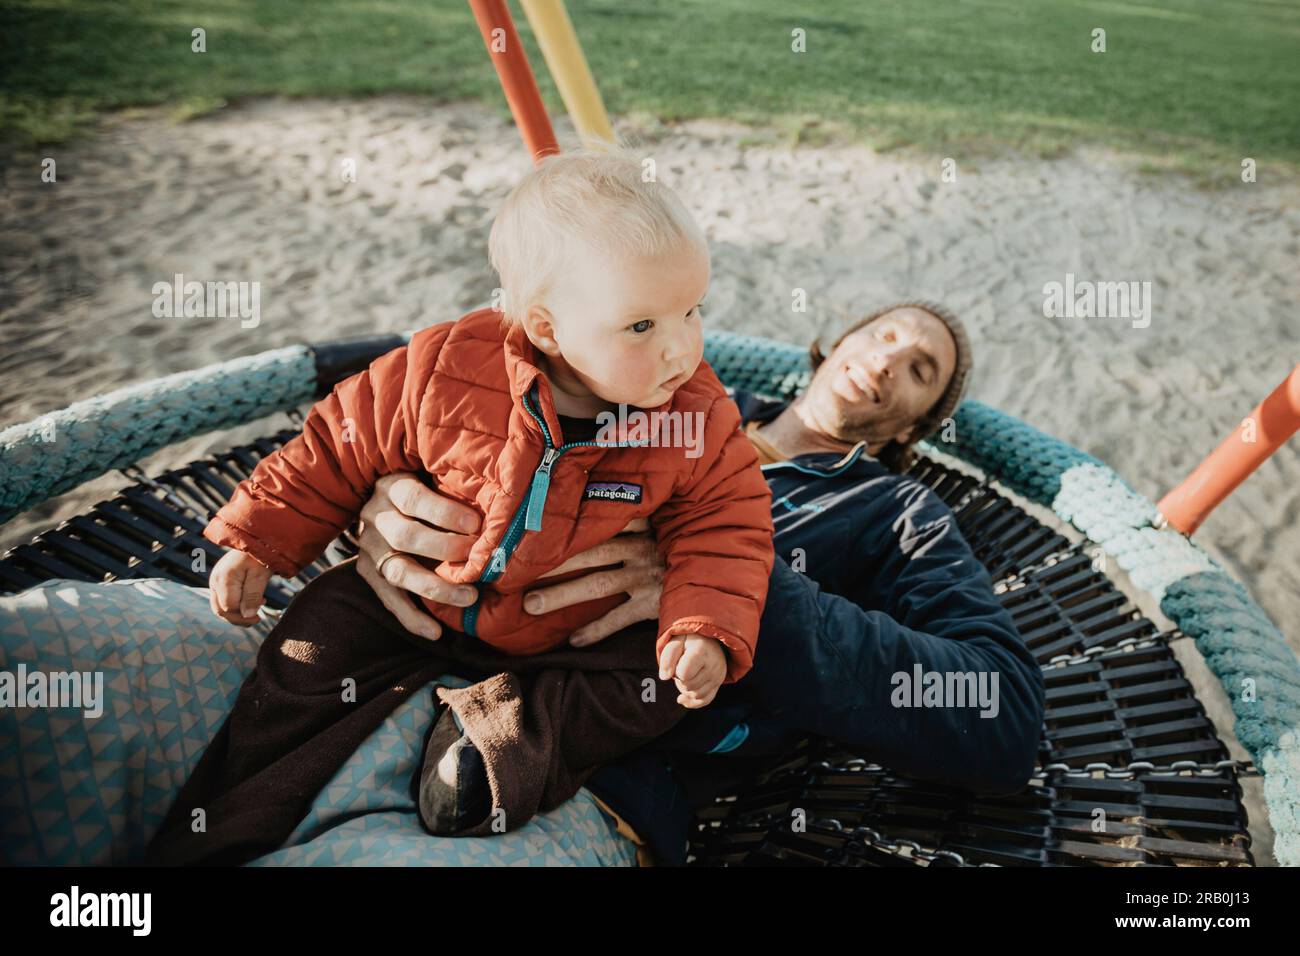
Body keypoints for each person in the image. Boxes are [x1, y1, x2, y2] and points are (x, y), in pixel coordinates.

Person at [151, 148, 774, 854]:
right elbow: (337, 442)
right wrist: (257, 536)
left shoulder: (696, 418)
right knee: (308, 641)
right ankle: (242, 803)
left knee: (656, 687)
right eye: (643, 326)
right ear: (546, 329)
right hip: (420, 607)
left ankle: (495, 743)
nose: (681, 350)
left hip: (567, 643)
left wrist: (703, 628)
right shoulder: (441, 367)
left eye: (692, 311)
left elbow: (728, 528)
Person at [353, 302, 1047, 864]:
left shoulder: (893, 514)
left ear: (916, 425)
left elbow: (1003, 717)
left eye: (920, 369)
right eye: (883, 335)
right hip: (415, 663)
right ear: (838, 341)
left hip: (591, 781)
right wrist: (390, 498)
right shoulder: (669, 395)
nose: (888, 360)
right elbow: (469, 419)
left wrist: (734, 587)